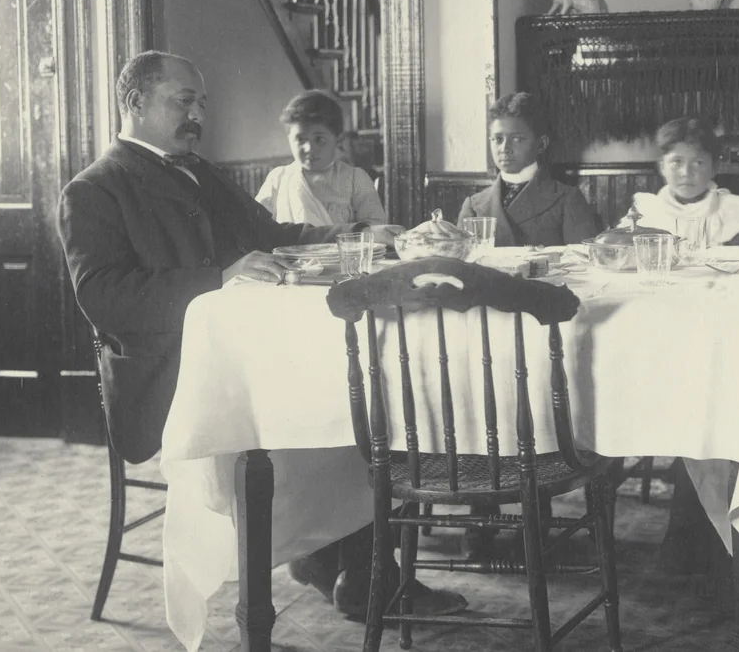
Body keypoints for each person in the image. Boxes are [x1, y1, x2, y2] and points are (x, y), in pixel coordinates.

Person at [57, 50, 462, 622]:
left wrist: (364, 234)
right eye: (183, 100)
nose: (197, 113)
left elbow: (271, 234)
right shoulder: (94, 189)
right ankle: (345, 568)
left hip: (246, 360)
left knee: (360, 402)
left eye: (201, 102)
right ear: (135, 102)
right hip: (175, 376)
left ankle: (355, 570)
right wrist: (217, 280)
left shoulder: (199, 170)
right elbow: (104, 295)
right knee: (347, 408)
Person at [457, 92, 596, 246]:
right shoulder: (474, 205)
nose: (504, 148)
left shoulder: (567, 199)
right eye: (497, 139)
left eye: (517, 139)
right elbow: (461, 265)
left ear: (541, 145)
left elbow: (583, 264)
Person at [256, 89, 387, 226]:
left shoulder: (356, 179)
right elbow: (255, 227)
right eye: (300, 139)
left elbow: (375, 231)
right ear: (289, 139)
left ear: (338, 139)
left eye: (319, 139)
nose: (309, 148)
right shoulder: (278, 179)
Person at [633, 117, 739, 244]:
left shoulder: (734, 215)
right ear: (662, 166)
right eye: (676, 162)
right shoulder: (647, 214)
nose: (686, 172)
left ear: (714, 168)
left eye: (698, 163)